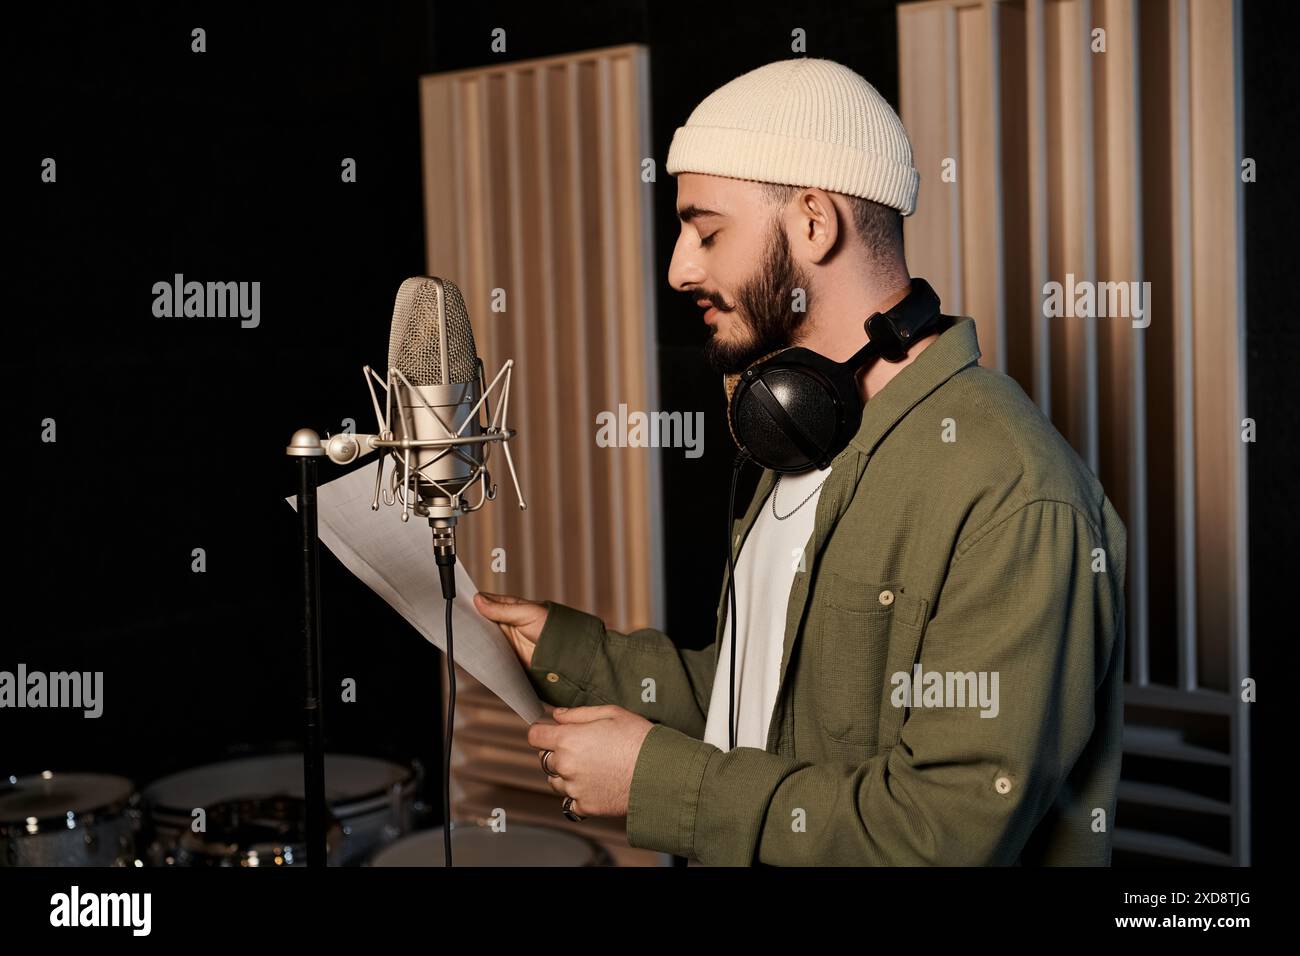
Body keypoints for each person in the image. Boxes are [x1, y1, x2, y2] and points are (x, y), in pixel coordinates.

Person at [475, 57, 1126, 866]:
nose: (679, 267)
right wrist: (579, 657)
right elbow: (763, 706)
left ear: (814, 222)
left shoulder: (1013, 491)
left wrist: (662, 783)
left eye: (707, 231)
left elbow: (944, 837)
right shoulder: (796, 432)